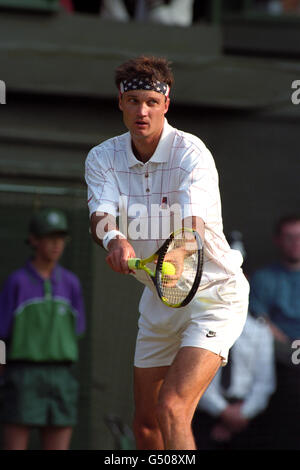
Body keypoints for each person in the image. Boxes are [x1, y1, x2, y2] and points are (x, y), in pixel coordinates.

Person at [85, 55, 249, 450]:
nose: (142, 111)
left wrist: (175, 258)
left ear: (166, 105)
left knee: (173, 408)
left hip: (214, 296)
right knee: (145, 427)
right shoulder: (102, 157)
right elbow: (102, 216)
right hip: (160, 299)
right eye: (134, 100)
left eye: (151, 102)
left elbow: (192, 224)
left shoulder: (192, 153)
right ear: (120, 103)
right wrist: (115, 240)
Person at [0, 209, 86, 450]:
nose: (56, 244)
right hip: (22, 376)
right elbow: (0, 337)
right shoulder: (17, 282)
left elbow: (77, 330)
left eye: (60, 238)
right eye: (49, 237)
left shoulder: (71, 284)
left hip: (62, 377)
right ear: (34, 240)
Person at [249, 214, 300, 449]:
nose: (295, 243)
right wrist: (290, 349)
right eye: (289, 237)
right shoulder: (263, 278)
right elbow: (260, 321)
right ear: (278, 240)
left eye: (299, 237)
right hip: (276, 359)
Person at [192, 313, 276, 450]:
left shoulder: (259, 330)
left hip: (247, 416)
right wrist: (222, 411)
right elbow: (196, 377)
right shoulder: (202, 326)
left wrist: (243, 413)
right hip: (206, 414)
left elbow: (264, 383)